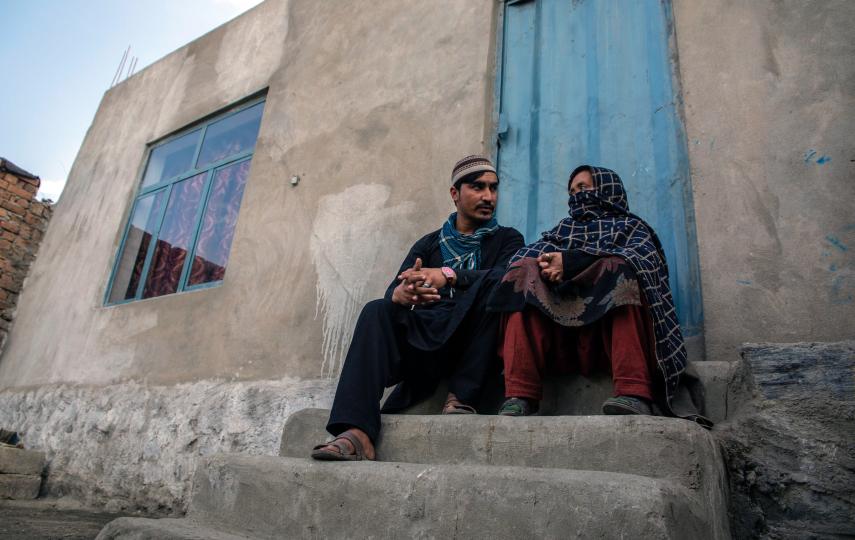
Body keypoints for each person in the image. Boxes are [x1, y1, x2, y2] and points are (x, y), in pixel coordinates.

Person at [311, 156, 525, 461]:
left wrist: (448, 275)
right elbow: (394, 290)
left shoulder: (507, 239)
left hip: (472, 344)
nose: (488, 197)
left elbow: (509, 275)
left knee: (499, 287)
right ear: (455, 194)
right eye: (477, 187)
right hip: (428, 344)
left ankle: (461, 397)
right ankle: (356, 432)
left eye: (493, 188)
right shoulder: (429, 244)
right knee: (376, 310)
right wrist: (404, 293)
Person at [489, 165, 709, 426]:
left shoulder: (633, 229)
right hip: (562, 344)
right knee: (523, 271)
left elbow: (643, 264)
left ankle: (634, 392)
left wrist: (571, 263)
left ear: (607, 189)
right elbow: (524, 258)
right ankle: (520, 394)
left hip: (608, 344)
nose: (576, 196)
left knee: (620, 267)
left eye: (583, 188)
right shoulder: (563, 231)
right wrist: (548, 266)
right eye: (571, 191)